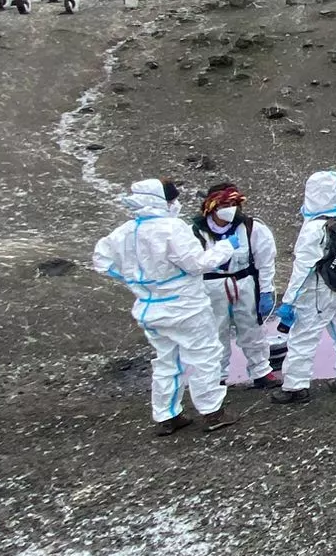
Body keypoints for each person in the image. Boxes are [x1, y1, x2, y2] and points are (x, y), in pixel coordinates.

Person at [92, 178, 238, 435]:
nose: (175, 204)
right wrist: (225, 248)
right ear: (163, 201)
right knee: (205, 357)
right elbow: (196, 264)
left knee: (167, 361)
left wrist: (135, 281)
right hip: (185, 307)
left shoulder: (124, 232)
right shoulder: (172, 228)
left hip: (150, 307)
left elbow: (102, 261)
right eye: (172, 199)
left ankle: (167, 415)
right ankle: (212, 412)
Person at [272, 169, 336, 404]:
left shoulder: (314, 228)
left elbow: (303, 268)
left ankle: (295, 387)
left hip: (319, 293)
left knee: (303, 337)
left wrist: (289, 300)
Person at [193, 182, 281, 390]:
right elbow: (191, 264)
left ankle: (261, 371)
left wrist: (266, 290)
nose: (230, 209)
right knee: (215, 332)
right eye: (224, 205)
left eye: (233, 204)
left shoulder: (252, 228)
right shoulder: (196, 232)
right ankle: (217, 377)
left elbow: (265, 261)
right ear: (211, 207)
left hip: (244, 283)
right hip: (211, 287)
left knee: (252, 328)